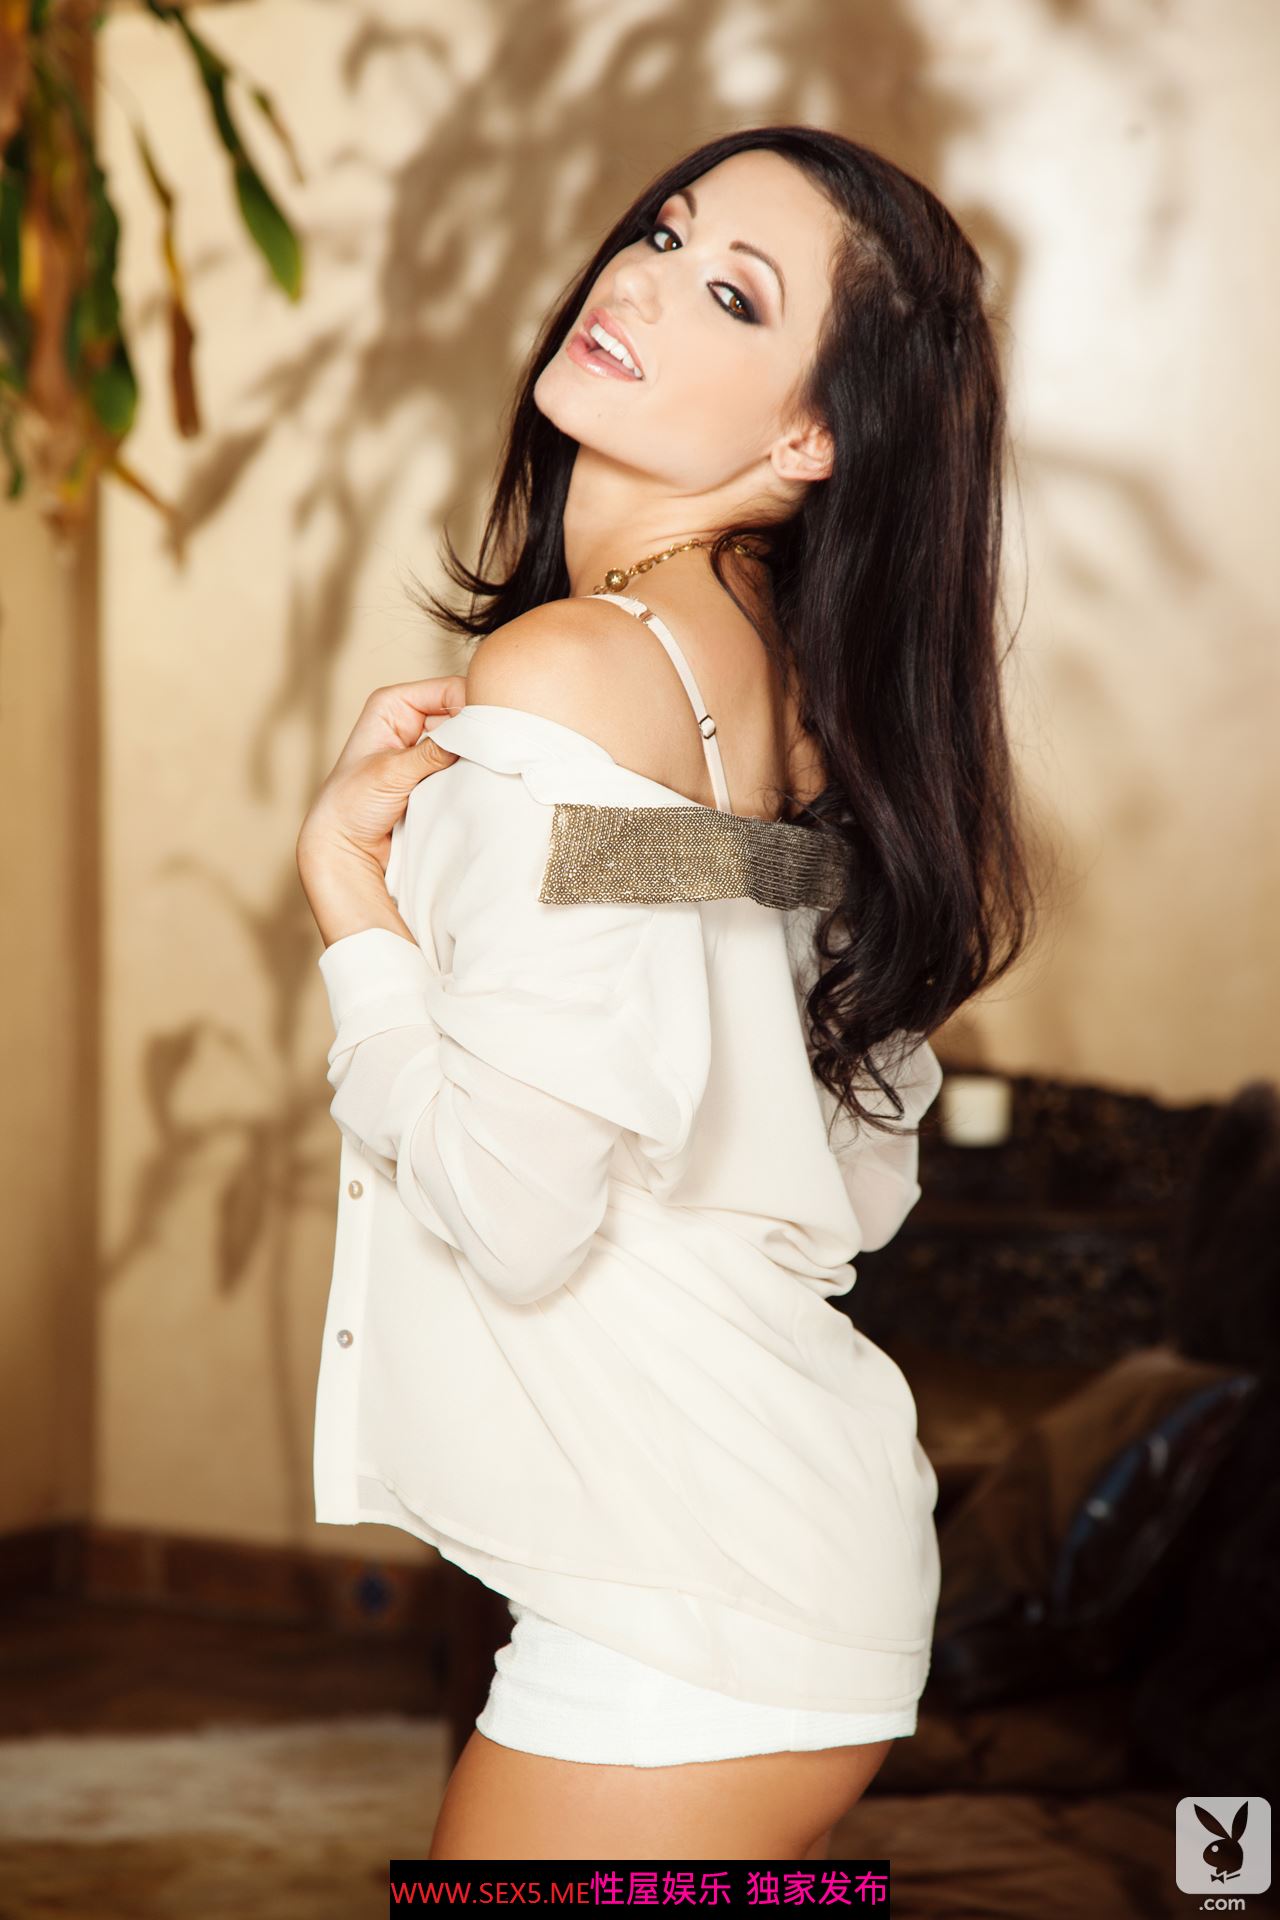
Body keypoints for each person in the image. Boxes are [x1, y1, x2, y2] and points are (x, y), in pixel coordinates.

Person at [297, 125, 1038, 1862]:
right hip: (774, 1547)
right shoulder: (793, 713)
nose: (640, 282)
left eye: (734, 295)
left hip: (692, 1601)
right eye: (661, 233)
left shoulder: (573, 672)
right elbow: (841, 1163)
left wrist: (351, 903)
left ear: (810, 438)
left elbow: (513, 1208)